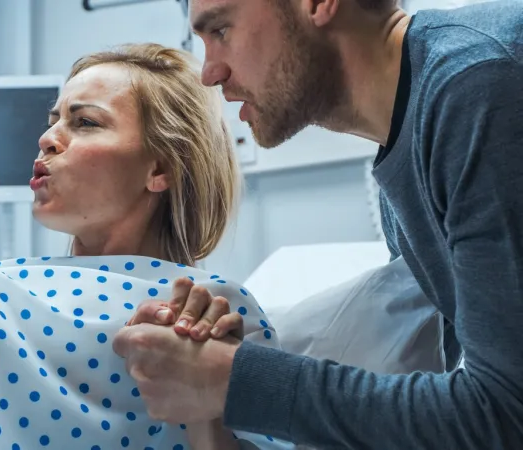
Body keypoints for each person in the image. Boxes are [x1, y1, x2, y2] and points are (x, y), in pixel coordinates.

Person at [0, 43, 288, 450]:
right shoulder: (14, 280)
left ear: (160, 169)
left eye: (84, 122)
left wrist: (204, 396)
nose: (47, 139)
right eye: (54, 121)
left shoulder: (212, 309)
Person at [115, 0, 523, 448]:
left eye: (222, 31)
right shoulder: (409, 142)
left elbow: (504, 415)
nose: (210, 73)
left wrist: (233, 380)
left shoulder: (477, 86)